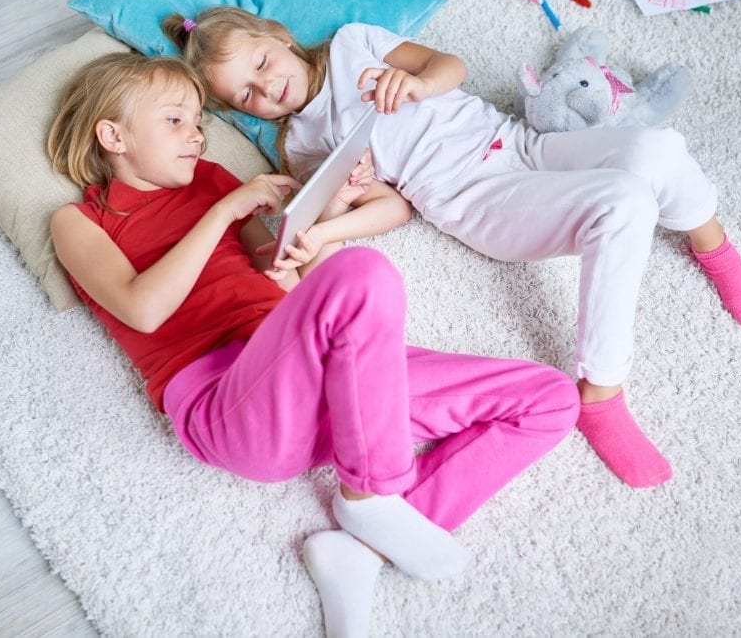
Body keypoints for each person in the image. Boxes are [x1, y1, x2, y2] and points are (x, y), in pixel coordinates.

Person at [46, 51, 580, 638]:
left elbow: (283, 271)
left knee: (551, 398)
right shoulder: (78, 221)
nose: (197, 137)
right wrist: (224, 209)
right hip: (229, 404)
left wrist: (330, 207)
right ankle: (368, 494)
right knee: (364, 275)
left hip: (334, 388)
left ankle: (358, 553)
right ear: (113, 135)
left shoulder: (212, 179)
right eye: (176, 120)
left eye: (199, 121)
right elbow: (143, 309)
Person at [164, 7, 741, 490]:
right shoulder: (301, 143)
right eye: (248, 96)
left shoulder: (354, 42)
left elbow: (450, 65)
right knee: (625, 201)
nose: (268, 87)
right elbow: (394, 207)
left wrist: (417, 82)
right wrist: (334, 217)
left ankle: (710, 245)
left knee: (655, 150)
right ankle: (600, 392)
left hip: (517, 143)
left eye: (263, 63)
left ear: (281, 39)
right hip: (475, 200)